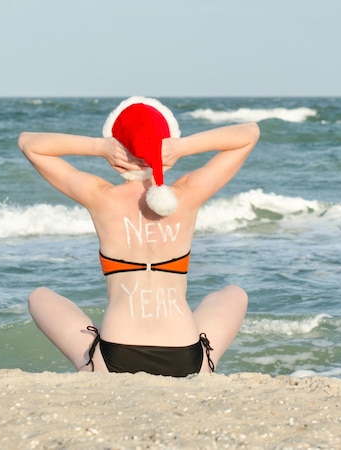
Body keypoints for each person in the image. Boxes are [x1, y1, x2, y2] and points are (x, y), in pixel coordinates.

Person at [18, 96, 260, 376]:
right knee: (235, 294)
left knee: (39, 296)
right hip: (186, 357)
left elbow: (28, 142)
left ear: (116, 154)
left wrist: (99, 147)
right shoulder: (188, 194)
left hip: (114, 358)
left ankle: (92, 367)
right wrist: (183, 147)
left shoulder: (101, 197)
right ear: (167, 148)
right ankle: (204, 368)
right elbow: (250, 133)